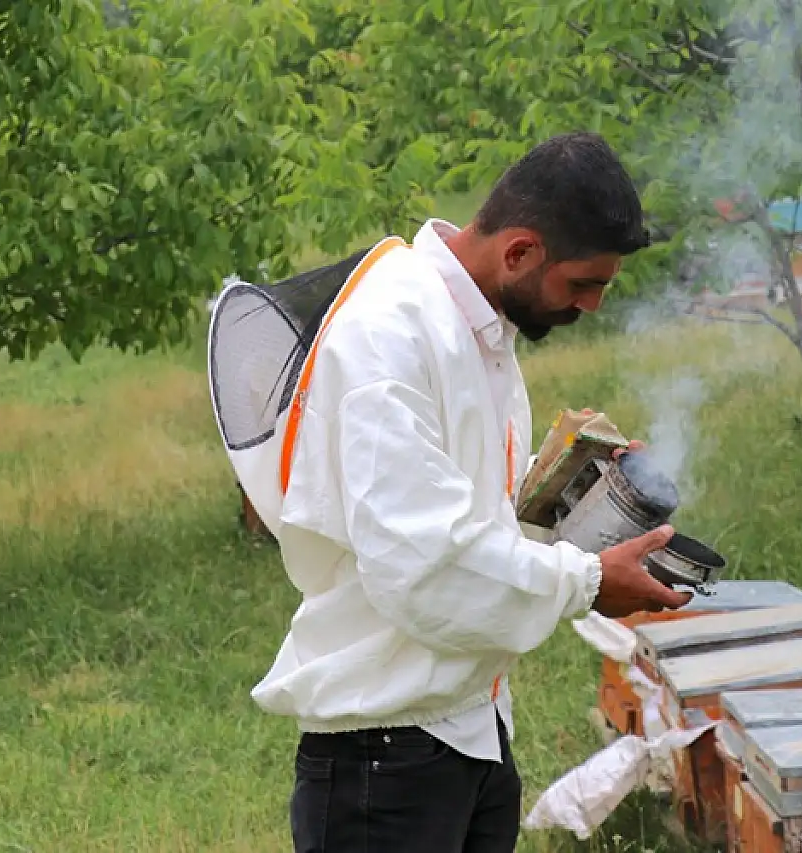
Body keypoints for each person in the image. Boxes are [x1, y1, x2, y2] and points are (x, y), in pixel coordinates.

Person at [262, 131, 694, 853]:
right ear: (520, 251)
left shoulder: (475, 328)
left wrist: (580, 493)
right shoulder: (387, 335)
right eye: (582, 284)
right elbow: (426, 561)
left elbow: (471, 509)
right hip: (384, 757)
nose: (591, 305)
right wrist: (589, 581)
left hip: (469, 729)